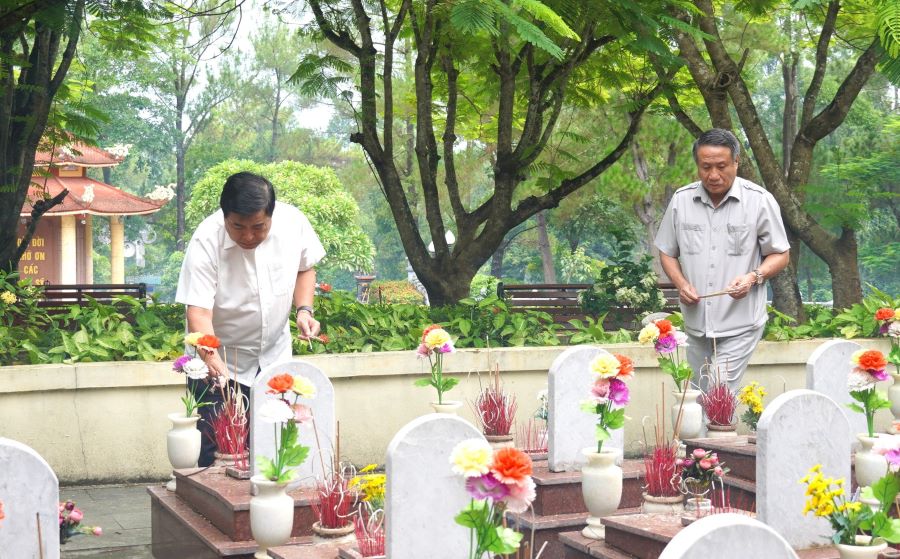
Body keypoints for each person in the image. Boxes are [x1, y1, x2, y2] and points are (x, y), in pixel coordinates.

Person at [175, 171, 325, 466]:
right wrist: (213, 360)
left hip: (273, 358)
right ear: (224, 216)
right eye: (237, 226)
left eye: (258, 227)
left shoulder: (293, 223)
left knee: (273, 447)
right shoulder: (206, 239)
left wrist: (304, 310)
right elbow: (199, 311)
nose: (248, 236)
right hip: (217, 362)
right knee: (215, 453)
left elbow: (305, 267)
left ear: (271, 214)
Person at [654, 129, 790, 391]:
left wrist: (753, 277)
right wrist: (681, 284)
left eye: (721, 166)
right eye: (705, 167)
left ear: (736, 162)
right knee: (695, 395)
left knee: (714, 391)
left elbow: (780, 254)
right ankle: (712, 433)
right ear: (697, 165)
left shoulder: (759, 201)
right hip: (696, 325)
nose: (713, 175)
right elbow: (667, 251)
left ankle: (707, 430)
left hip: (740, 323)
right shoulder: (681, 200)